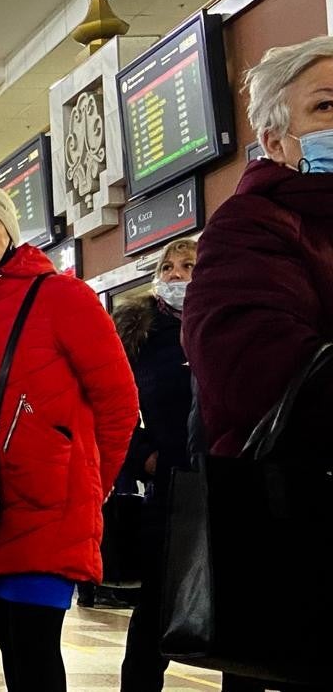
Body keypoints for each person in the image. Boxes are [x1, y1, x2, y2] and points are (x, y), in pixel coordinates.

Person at [0, 186, 138, 692]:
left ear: (9, 231)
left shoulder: (62, 296)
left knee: (35, 651)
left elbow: (119, 404)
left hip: (49, 506)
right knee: (12, 651)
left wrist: (95, 482)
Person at [183, 37, 333, 692]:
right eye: (327, 106)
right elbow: (257, 379)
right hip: (298, 539)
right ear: (277, 141)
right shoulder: (251, 228)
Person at [114, 238, 196, 690]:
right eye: (167, 267)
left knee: (238, 601)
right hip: (168, 487)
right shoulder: (139, 335)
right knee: (155, 605)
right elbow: (112, 405)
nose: (175, 274)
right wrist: (143, 455)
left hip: (228, 476)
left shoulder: (226, 324)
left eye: (187, 266)